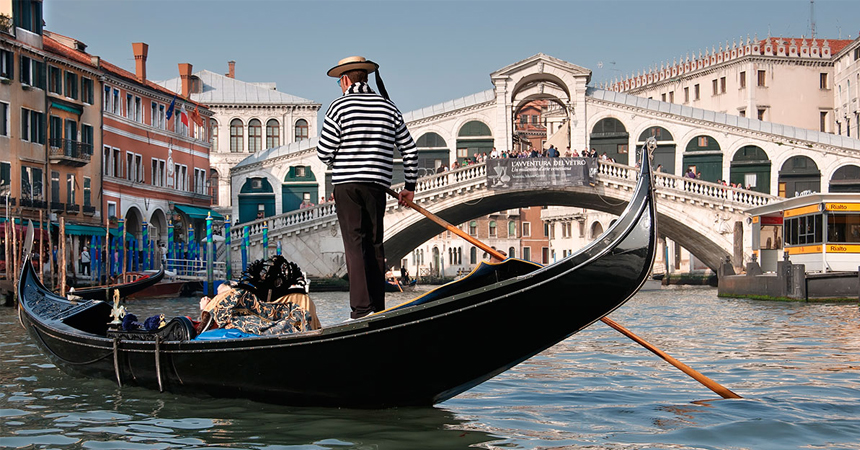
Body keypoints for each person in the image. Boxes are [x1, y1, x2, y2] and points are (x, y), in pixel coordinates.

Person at [317, 56, 418, 320]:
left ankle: (361, 310)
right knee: (375, 245)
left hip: (347, 185)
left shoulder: (338, 107)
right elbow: (409, 149)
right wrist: (409, 186)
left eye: (339, 81)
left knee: (354, 245)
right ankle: (378, 306)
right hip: (377, 186)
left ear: (345, 80)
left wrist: (345, 158)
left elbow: (324, 152)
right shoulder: (388, 107)